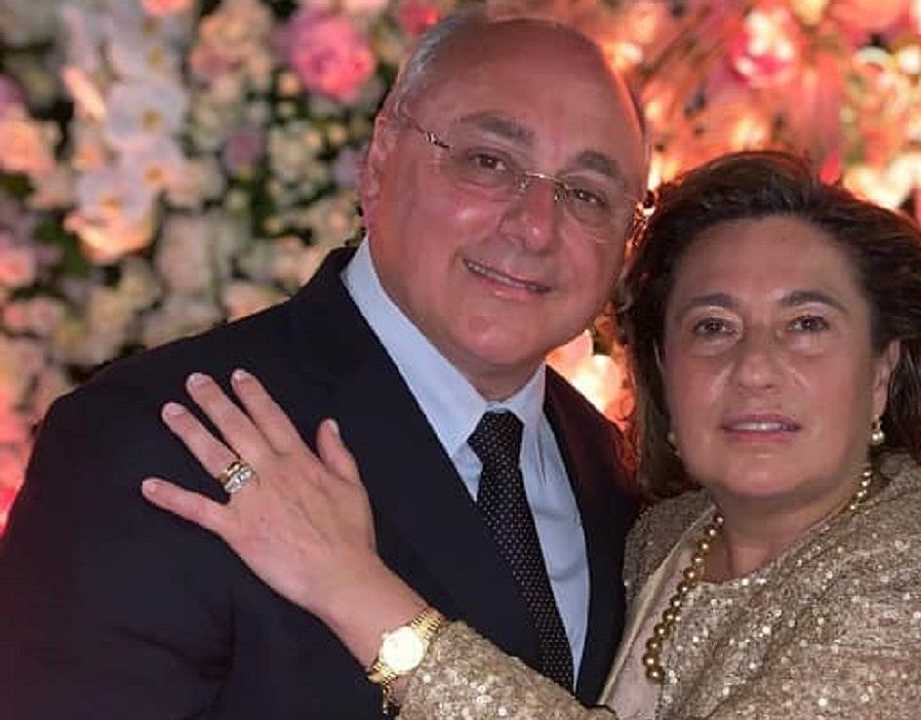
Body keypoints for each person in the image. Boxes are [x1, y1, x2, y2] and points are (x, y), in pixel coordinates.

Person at [142, 151, 921, 719]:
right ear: (661, 369)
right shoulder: (654, 537)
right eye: (712, 326)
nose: (754, 367)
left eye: (807, 325)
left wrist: (349, 584)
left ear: (884, 371)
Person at [0, 11, 647, 718]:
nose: (536, 226)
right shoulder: (157, 440)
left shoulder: (619, 478)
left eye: (587, 194)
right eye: (488, 162)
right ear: (380, 161)